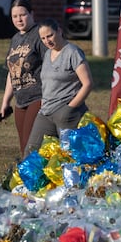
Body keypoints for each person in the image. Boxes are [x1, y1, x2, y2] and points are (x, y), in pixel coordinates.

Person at [24, 18, 93, 156]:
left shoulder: (72, 52)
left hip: (66, 113)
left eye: (50, 35)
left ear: (59, 31)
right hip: (46, 112)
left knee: (70, 157)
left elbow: (87, 83)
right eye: (43, 38)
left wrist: (69, 109)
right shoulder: (48, 53)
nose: (47, 41)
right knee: (31, 153)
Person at [0, 0, 48, 157]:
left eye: (23, 15)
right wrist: (6, 101)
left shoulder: (39, 34)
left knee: (30, 145)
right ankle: (28, 178)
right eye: (15, 16)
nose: (19, 19)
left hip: (38, 96)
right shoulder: (15, 39)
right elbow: (11, 72)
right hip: (20, 100)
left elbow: (51, 64)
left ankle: (36, 178)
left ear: (32, 14)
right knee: (23, 146)